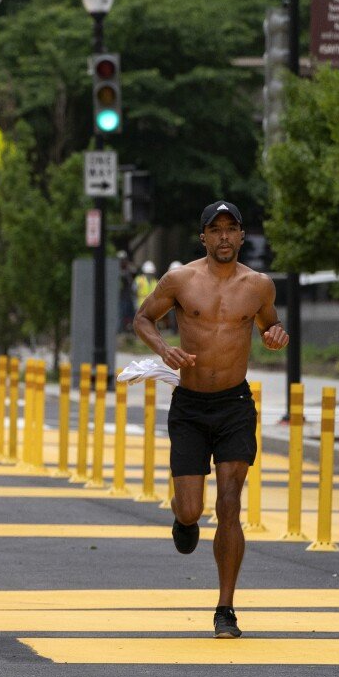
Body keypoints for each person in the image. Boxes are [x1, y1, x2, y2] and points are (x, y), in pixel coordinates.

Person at [132, 201, 288, 639]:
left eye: (230, 229)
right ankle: (183, 521)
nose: (223, 236)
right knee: (192, 508)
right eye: (215, 229)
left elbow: (270, 327)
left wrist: (275, 336)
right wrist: (165, 350)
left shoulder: (258, 286)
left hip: (234, 405)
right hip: (190, 406)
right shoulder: (180, 280)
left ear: (241, 236)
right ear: (203, 237)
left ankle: (225, 609)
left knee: (229, 505)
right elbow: (143, 318)